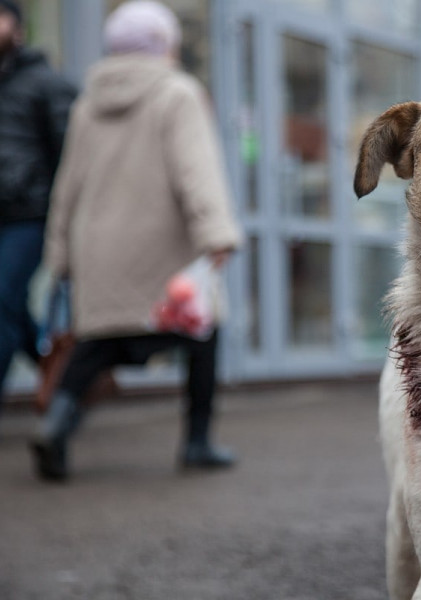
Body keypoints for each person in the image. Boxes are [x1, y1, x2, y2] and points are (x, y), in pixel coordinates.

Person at [30, 0, 242, 481]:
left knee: (96, 345)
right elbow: (197, 173)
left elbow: (67, 187)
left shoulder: (87, 104)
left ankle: (56, 425)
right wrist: (217, 235)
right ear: (164, 44)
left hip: (99, 248)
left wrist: (60, 255)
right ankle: (197, 442)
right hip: (161, 248)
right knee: (202, 334)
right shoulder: (177, 93)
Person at [0, 0, 77, 411]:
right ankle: (64, 378)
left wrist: (65, 216)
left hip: (30, 215)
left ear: (18, 27)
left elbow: (71, 157)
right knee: (9, 305)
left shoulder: (46, 83)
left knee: (1, 297)